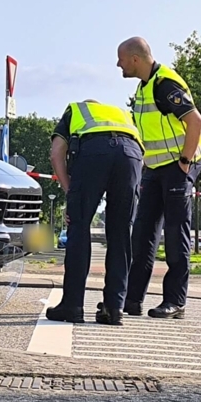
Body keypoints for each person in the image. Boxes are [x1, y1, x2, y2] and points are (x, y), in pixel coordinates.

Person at [117, 37, 201, 319]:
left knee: (176, 230)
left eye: (120, 58)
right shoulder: (144, 87)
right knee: (142, 233)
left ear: (135, 59)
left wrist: (184, 162)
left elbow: (196, 122)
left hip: (178, 166)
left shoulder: (165, 85)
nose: (117, 64)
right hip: (156, 168)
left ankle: (176, 301)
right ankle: (131, 300)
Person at [45, 100, 143, 325]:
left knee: (78, 227)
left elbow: (56, 153)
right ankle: (114, 307)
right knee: (121, 233)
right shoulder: (123, 115)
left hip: (93, 152)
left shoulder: (75, 110)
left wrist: (71, 192)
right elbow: (140, 156)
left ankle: (73, 306)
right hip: (131, 156)